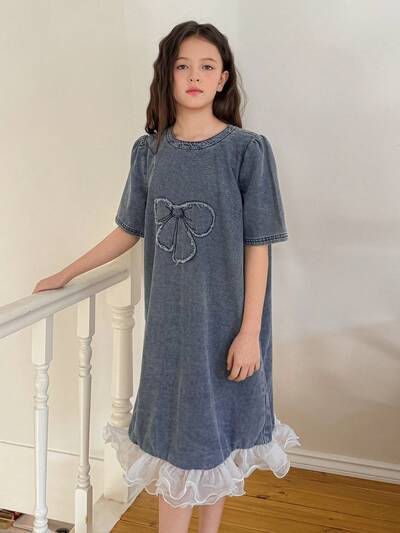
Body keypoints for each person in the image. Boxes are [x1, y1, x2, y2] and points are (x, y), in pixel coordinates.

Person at [32, 19, 301, 533]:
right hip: (171, 333)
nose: (194, 76)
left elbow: (259, 247)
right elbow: (127, 229)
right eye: (183, 66)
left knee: (219, 440)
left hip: (229, 326)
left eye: (207, 66)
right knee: (182, 443)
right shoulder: (149, 152)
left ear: (223, 78)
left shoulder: (247, 150)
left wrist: (249, 333)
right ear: (167, 76)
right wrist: (66, 273)